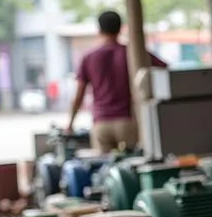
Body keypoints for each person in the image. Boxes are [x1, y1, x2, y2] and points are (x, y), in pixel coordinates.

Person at [66, 11, 166, 151]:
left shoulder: (89, 58)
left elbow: (78, 96)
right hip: (127, 121)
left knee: (104, 169)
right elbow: (163, 68)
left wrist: (70, 123)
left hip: (101, 123)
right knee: (131, 166)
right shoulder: (133, 53)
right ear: (120, 28)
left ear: (99, 30)